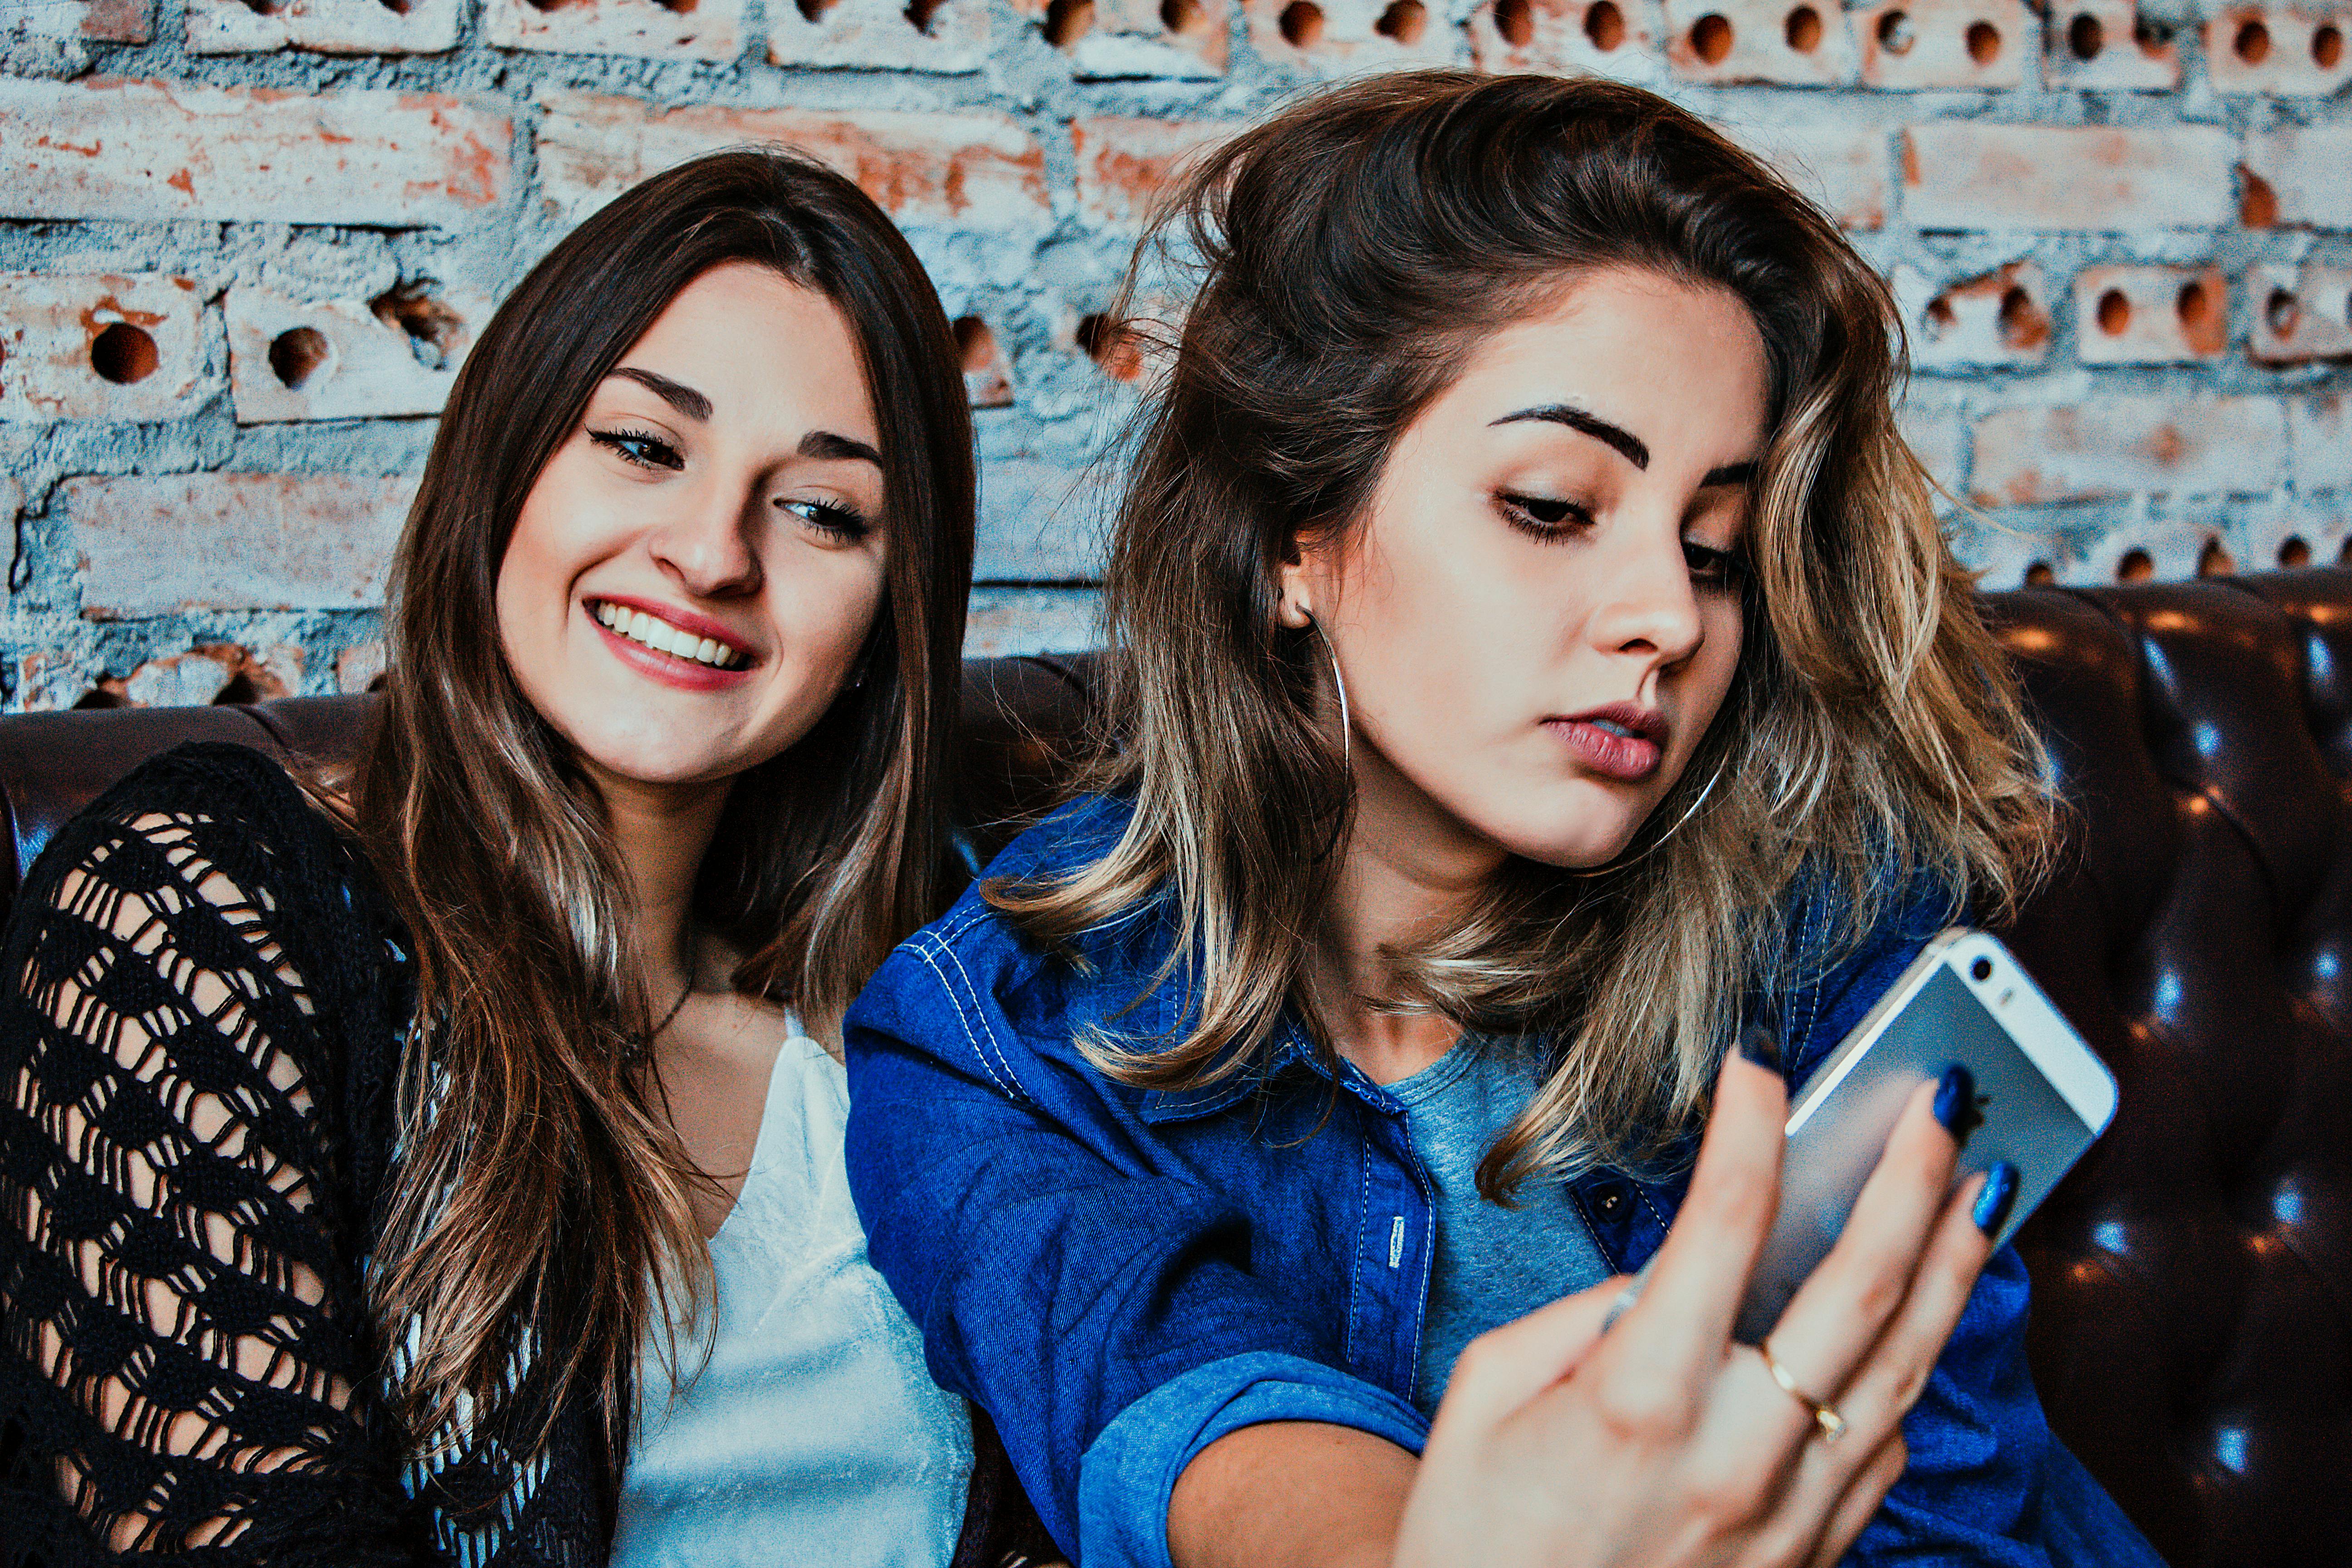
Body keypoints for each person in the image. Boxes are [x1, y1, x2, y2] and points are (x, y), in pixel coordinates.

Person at [840, 71, 2166, 1568]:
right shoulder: (993, 1034)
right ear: (1296, 533)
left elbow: (1948, 1514)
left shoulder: (1827, 935)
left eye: (1716, 547)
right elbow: (1179, 1407)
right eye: (1552, 505)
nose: (1667, 614)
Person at [0, 149, 1014, 1568]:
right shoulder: (207, 899)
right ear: (506, 470)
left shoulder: (941, 1023)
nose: (714, 554)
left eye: (822, 510)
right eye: (646, 446)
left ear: (880, 631)